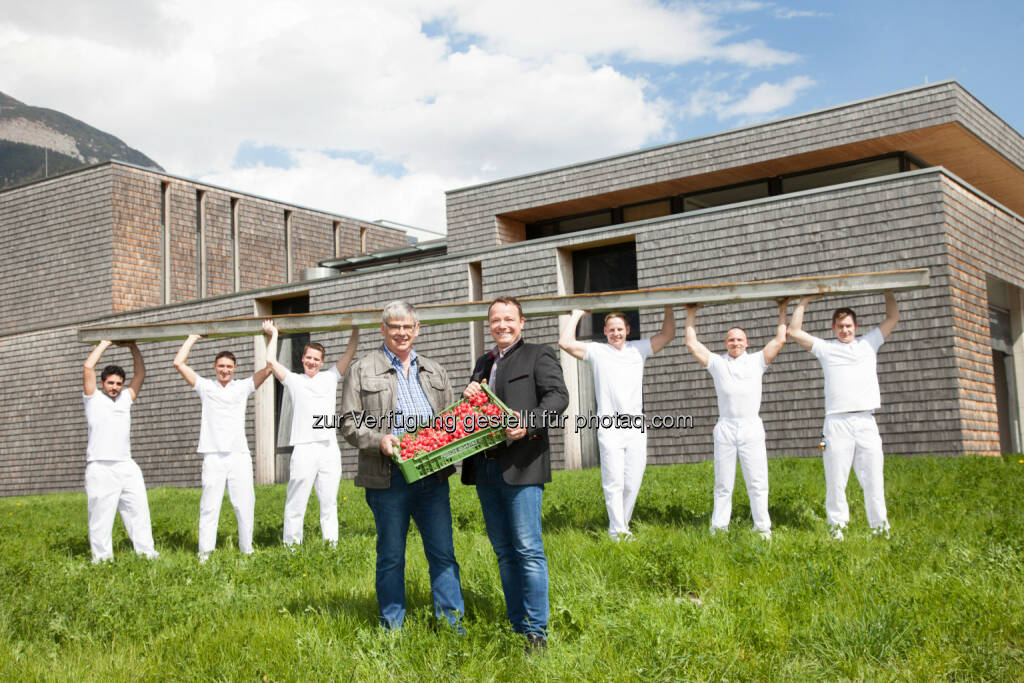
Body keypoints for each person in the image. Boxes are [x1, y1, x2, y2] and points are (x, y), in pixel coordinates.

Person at [340, 301, 464, 630]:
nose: (401, 332)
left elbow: (451, 419)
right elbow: (350, 424)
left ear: (417, 329)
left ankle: (452, 625)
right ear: (383, 330)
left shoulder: (436, 370)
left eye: (407, 326)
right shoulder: (362, 369)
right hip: (387, 477)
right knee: (391, 556)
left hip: (432, 475)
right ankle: (392, 627)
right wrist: (379, 441)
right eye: (394, 327)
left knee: (443, 553)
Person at [462, 296, 569, 652]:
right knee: (504, 552)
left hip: (522, 465)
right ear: (489, 325)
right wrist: (469, 395)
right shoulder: (483, 361)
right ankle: (516, 623)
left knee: (527, 549)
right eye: (495, 320)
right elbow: (474, 413)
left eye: (509, 319)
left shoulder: (539, 355)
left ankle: (537, 632)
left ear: (522, 322)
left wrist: (528, 423)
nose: (502, 325)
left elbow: (557, 397)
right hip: (486, 468)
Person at [788, 292, 899, 540]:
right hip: (837, 423)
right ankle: (837, 530)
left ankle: (880, 529)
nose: (845, 330)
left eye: (848, 326)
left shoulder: (869, 343)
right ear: (834, 328)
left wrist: (887, 291)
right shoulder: (827, 349)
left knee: (873, 480)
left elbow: (893, 317)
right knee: (836, 481)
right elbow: (794, 331)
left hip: (866, 421)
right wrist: (805, 301)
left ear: (856, 326)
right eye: (840, 326)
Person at [558, 307, 675, 540]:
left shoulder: (638, 349)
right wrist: (577, 315)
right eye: (611, 330)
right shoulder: (597, 351)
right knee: (614, 481)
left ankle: (621, 525)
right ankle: (618, 531)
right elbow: (565, 342)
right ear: (605, 332)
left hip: (636, 424)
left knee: (632, 481)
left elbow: (667, 335)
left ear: (627, 330)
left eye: (620, 329)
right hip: (609, 424)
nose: (616, 333)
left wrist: (668, 306)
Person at [684, 300, 790, 539]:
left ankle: (762, 528)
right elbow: (692, 344)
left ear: (746, 343)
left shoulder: (757, 361)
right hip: (725, 427)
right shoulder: (718, 363)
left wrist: (782, 308)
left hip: (751, 426)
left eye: (739, 339)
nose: (735, 343)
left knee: (757, 480)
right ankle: (719, 529)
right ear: (726, 343)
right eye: (731, 339)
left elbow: (780, 340)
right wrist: (691, 313)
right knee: (723, 484)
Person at [172, 326, 276, 561]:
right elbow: (179, 363)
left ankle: (247, 551)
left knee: (244, 505)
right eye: (221, 366)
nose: (225, 370)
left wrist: (273, 336)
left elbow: (269, 368)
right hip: (213, 456)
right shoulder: (205, 387)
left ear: (235, 368)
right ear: (215, 368)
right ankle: (204, 555)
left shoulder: (242, 387)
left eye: (229, 366)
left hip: (238, 455)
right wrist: (192, 338)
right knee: (209, 506)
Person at [264, 320, 358, 545]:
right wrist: (273, 334)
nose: (312, 362)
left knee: (329, 501)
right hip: (304, 448)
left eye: (316, 359)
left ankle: (331, 546)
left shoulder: (330, 377)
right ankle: (291, 548)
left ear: (322, 362)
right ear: (302, 359)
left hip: (328, 448)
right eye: (309, 358)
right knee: (296, 501)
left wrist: (356, 327)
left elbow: (350, 351)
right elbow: (270, 361)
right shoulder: (294, 380)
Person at [82, 340, 158, 563]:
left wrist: (133, 347)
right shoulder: (92, 399)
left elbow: (141, 374)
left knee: (139, 510)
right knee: (101, 517)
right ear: (102, 383)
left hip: (126, 465)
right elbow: (88, 367)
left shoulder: (125, 399)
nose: (114, 386)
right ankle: (102, 559)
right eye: (110, 382)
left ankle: (147, 554)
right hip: (100, 466)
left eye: (118, 383)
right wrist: (105, 343)